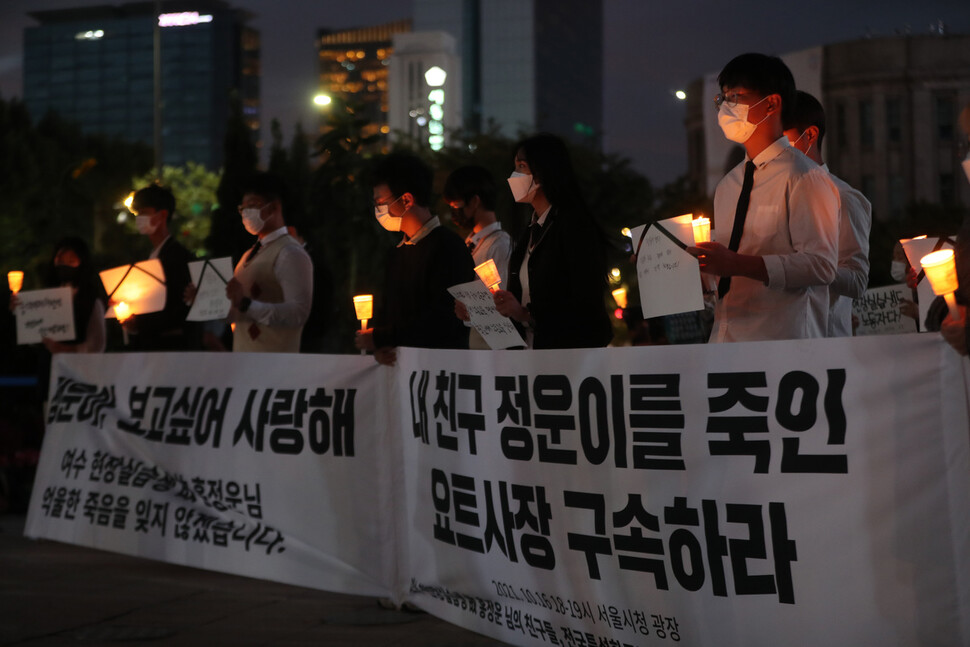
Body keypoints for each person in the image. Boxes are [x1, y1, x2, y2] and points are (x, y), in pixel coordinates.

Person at [687, 53, 839, 342]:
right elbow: (723, 270)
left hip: (781, 342)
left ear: (771, 103)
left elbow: (821, 265)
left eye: (735, 96)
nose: (726, 107)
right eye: (722, 99)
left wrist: (736, 264)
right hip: (727, 338)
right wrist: (675, 264)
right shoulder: (728, 185)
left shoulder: (804, 176)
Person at [491, 133, 613, 349]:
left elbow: (583, 303)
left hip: (567, 358)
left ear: (544, 171)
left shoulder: (574, 227)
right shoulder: (529, 231)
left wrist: (525, 314)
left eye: (521, 166)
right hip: (531, 356)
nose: (514, 176)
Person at [355, 153, 475, 365]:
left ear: (407, 200)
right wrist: (381, 348)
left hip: (440, 373)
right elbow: (390, 310)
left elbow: (443, 319)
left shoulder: (449, 248)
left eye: (381, 203)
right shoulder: (398, 252)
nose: (378, 211)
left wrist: (380, 337)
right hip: (402, 372)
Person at [782, 90, 872, 337]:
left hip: (824, 340)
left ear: (810, 135)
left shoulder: (843, 197)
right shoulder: (770, 196)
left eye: (782, 141)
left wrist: (807, 264)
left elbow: (856, 281)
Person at [225, 172, 314, 353]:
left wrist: (247, 304)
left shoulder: (290, 253)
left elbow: (297, 313)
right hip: (243, 361)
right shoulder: (247, 256)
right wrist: (205, 302)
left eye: (253, 206)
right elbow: (237, 315)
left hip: (274, 367)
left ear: (274, 207)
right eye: (243, 208)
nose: (246, 213)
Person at [444, 165, 513, 349]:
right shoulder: (470, 243)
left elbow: (503, 305)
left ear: (474, 201)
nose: (453, 211)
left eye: (456, 204)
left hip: (491, 351)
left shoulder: (499, 245)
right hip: (471, 347)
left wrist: (471, 310)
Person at [127, 184, 199, 350]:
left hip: (170, 347)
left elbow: (178, 306)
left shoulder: (179, 257)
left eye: (144, 213)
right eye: (137, 214)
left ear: (163, 215)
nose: (139, 218)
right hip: (151, 345)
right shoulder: (149, 255)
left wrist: (140, 322)